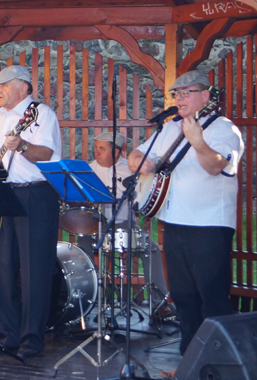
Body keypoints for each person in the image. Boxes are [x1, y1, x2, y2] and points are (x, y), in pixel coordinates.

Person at [128, 71, 244, 362]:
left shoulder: (223, 128)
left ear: (205, 96)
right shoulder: (168, 128)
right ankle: (190, 361)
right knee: (184, 298)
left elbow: (217, 166)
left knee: (212, 298)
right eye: (176, 94)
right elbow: (136, 155)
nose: (179, 98)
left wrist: (198, 142)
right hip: (174, 221)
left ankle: (222, 364)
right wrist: (142, 164)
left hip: (209, 224)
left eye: (186, 92)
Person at [0, 65, 62, 359]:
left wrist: (21, 145)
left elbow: (46, 154)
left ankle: (32, 338)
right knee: (3, 266)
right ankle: (8, 335)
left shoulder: (42, 114)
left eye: (3, 85)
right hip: (4, 194)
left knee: (34, 269)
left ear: (23, 86)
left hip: (36, 193)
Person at [79, 132, 169, 314]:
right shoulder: (87, 170)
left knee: (151, 249)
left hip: (123, 226)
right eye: (95, 148)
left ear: (117, 152)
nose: (96, 152)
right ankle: (83, 301)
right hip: (94, 227)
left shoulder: (129, 170)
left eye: (102, 149)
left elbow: (144, 195)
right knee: (81, 251)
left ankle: (160, 304)